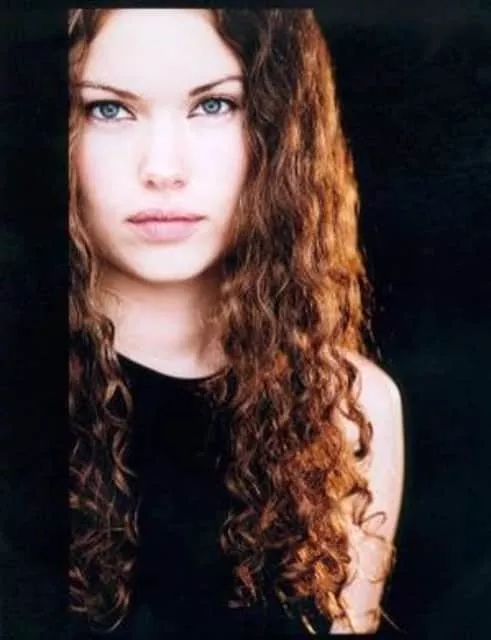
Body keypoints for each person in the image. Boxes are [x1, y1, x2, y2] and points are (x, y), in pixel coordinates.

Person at [68, 8, 404, 637]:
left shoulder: (350, 408)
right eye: (108, 109)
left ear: (280, 130)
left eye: (214, 105)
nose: (163, 168)